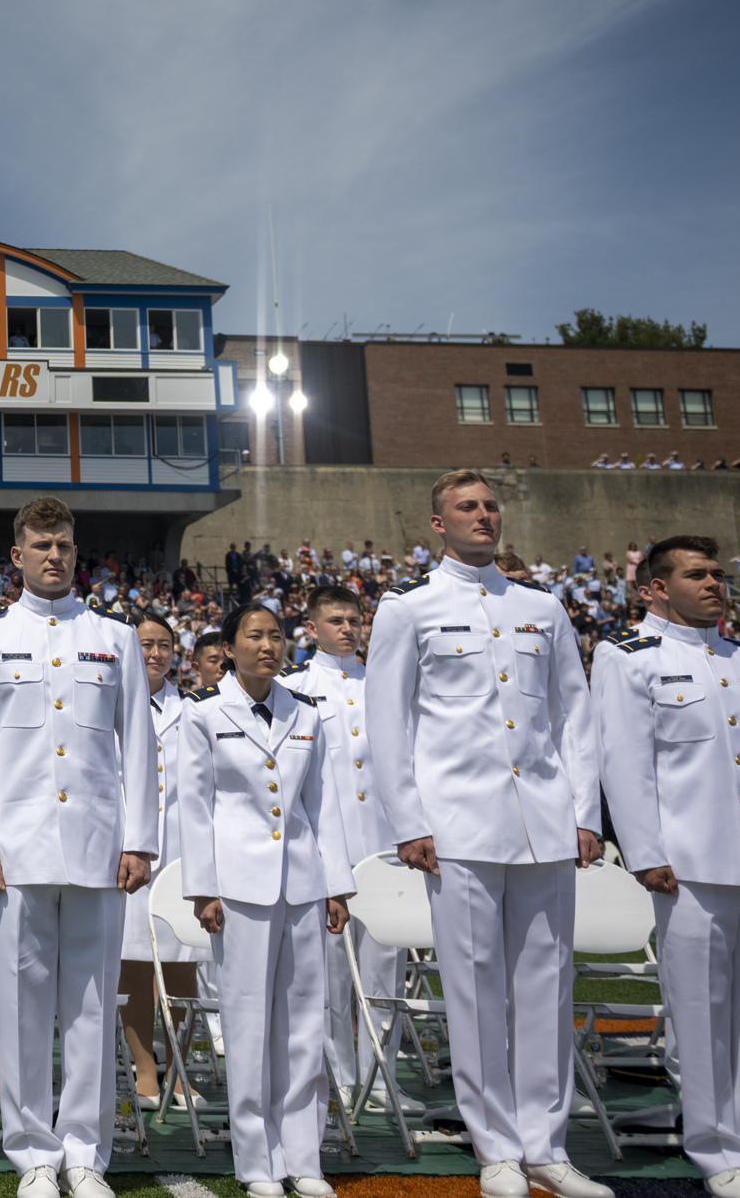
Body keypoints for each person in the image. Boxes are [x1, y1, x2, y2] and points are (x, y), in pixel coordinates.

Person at [367, 471, 608, 1198]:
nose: (482, 515)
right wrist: (408, 822)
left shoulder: (543, 607)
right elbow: (389, 724)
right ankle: (496, 1144)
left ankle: (548, 1142)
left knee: (546, 983)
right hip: (458, 824)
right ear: (437, 523)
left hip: (541, 819)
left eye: (490, 505)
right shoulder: (409, 609)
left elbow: (574, 715)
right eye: (466, 507)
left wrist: (584, 811)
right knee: (473, 990)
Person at [592, 537, 740, 1198]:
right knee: (699, 1010)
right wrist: (646, 851)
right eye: (697, 573)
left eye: (718, 573)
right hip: (688, 863)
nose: (714, 582)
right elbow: (624, 763)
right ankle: (717, 1148)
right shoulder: (628, 659)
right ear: (654, 588)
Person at [0, 497, 154, 1198]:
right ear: (17, 555)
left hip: (99, 849)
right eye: (41, 544)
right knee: (24, 1003)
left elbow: (139, 750)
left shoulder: (114, 636)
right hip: (17, 851)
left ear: (77, 551)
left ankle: (86, 1151)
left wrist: (140, 840)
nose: (54, 555)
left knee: (96, 1006)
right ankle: (34, 1150)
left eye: (64, 544)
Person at [176, 603, 353, 1198]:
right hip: (238, 886)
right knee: (248, 1022)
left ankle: (304, 1157)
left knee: (305, 1021)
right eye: (254, 636)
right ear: (229, 647)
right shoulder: (203, 713)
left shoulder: (305, 712)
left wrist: (337, 883)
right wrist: (201, 887)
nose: (267, 646)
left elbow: (322, 803)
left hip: (303, 880)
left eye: (276, 636)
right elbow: (195, 807)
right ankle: (257, 1163)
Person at [278, 583, 400, 1111]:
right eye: (336, 621)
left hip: (385, 846)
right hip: (327, 847)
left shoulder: (386, 684)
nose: (349, 629)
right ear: (313, 629)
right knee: (328, 973)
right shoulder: (293, 689)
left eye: (355, 620)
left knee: (385, 968)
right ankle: (339, 1077)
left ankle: (382, 1078)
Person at [115, 614, 186, 1104]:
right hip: (128, 848)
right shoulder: (113, 700)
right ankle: (144, 1065)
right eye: (145, 644)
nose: (155, 653)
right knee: (135, 961)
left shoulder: (197, 708)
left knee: (183, 960)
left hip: (182, 847)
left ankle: (181, 1066)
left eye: (164, 645)